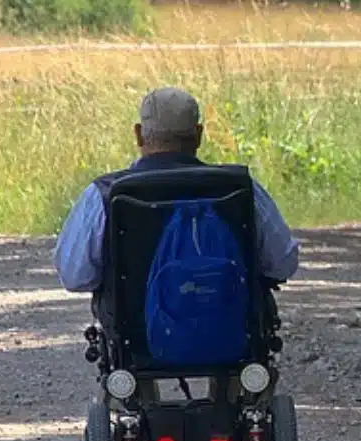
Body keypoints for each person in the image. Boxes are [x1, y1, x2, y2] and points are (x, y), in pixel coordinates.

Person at [53, 87, 300, 401]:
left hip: (139, 338)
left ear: (139, 135)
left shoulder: (105, 194)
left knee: (130, 354)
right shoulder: (240, 189)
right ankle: (230, 411)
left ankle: (142, 417)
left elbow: (75, 275)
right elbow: (283, 262)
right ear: (198, 135)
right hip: (233, 333)